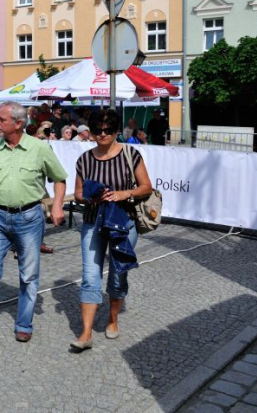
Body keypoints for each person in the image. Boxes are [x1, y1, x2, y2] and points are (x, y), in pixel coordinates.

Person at [0, 102, 68, 350]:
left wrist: (56, 206)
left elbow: (59, 179)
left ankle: (24, 325)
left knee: (29, 275)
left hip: (30, 219)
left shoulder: (38, 148)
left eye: (2, 120)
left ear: (18, 123)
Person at [71, 109, 152, 352]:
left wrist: (123, 194)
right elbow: (77, 193)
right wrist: (89, 197)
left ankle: (113, 319)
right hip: (93, 222)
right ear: (91, 132)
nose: (102, 134)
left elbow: (146, 187)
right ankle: (85, 333)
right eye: (97, 130)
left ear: (116, 131)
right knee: (90, 275)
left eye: (108, 130)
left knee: (118, 273)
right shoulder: (84, 160)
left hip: (123, 223)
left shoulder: (130, 154)